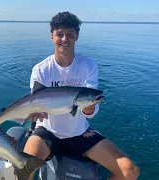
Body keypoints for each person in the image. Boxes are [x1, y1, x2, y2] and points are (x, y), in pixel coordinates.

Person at [23, 12, 140, 180]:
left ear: (77, 36)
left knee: (130, 171)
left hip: (79, 132)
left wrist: (90, 108)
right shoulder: (41, 70)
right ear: (52, 36)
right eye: (59, 34)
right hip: (47, 131)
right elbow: (33, 104)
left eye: (70, 34)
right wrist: (32, 113)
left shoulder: (89, 66)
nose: (65, 39)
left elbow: (90, 107)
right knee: (23, 168)